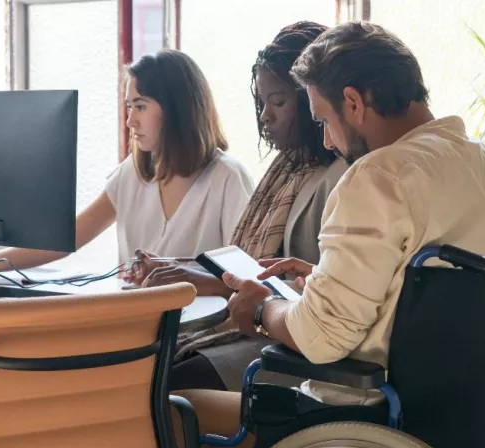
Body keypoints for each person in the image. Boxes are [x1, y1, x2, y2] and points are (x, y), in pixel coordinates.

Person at [172, 21, 485, 448]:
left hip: (359, 423)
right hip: (464, 423)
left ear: (352, 102)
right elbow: (427, 299)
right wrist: (322, 280)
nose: (327, 140)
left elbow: (320, 338)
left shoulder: (378, 177)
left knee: (171, 410)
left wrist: (260, 309)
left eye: (324, 121)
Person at [134, 21, 347, 392]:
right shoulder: (288, 168)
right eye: (262, 103)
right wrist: (178, 267)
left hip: (288, 343)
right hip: (266, 328)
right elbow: (251, 262)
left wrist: (217, 285)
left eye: (278, 102)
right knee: (143, 365)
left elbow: (312, 293)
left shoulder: (339, 178)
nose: (266, 116)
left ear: (314, 97)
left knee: (163, 381)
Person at [0, 49, 254, 272]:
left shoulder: (226, 178)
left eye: (140, 106)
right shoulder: (133, 174)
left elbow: (245, 274)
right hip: (140, 326)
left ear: (178, 108)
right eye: (129, 107)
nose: (131, 121)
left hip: (196, 334)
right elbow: (64, 240)